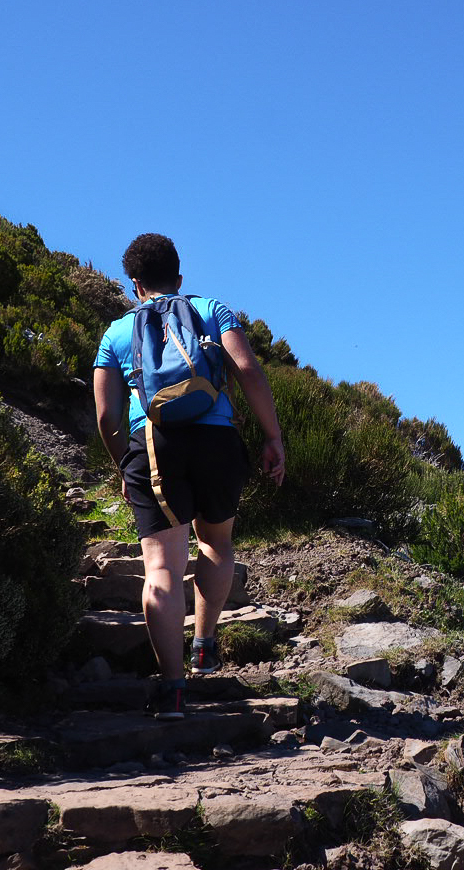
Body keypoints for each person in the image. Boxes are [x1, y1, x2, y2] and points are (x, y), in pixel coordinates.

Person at [93, 234, 285, 719]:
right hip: (218, 439)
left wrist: (124, 464)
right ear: (180, 278)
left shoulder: (116, 333)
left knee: (161, 567)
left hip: (154, 445)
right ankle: (204, 645)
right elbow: (249, 371)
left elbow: (105, 416)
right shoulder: (211, 308)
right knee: (217, 543)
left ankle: (173, 690)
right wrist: (272, 438)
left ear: (134, 284)